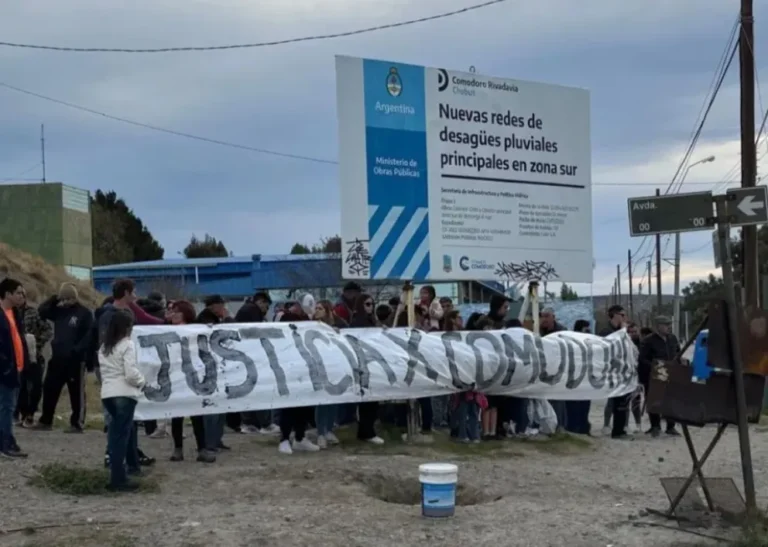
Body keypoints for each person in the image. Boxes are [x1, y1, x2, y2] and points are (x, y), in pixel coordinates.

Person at [94, 279, 161, 467]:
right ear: (126, 293)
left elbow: (148, 318)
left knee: (127, 417)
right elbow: (106, 345)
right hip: (115, 371)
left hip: (125, 368)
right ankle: (113, 454)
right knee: (116, 415)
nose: (136, 295)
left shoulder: (129, 311)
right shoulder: (109, 315)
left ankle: (131, 453)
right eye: (134, 291)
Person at [34, 283, 94, 433]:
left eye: (68, 298)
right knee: (49, 389)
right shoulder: (59, 311)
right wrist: (55, 298)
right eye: (63, 299)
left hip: (75, 360)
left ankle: (77, 423)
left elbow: (88, 336)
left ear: (74, 298)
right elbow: (42, 311)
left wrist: (78, 352)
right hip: (57, 358)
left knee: (76, 393)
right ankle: (46, 420)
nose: (65, 302)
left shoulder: (84, 313)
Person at [99, 309, 145, 492]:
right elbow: (131, 373)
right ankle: (118, 478)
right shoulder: (127, 345)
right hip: (124, 393)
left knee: (114, 436)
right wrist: (142, 381)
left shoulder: (104, 347)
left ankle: (118, 473)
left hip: (107, 393)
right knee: (122, 437)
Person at [167, 300, 216, 463]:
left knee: (196, 415)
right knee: (176, 415)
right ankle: (178, 449)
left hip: (193, 377)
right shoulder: (165, 331)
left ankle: (202, 448)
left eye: (177, 311)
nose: (173, 314)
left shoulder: (195, 331)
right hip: (174, 376)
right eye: (172, 311)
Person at [277, 294, 320, 454]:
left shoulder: (307, 320)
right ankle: (284, 438)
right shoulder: (286, 318)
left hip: (306, 366)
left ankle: (300, 437)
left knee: (305, 404)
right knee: (289, 405)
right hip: (290, 366)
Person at [196, 295, 235, 450]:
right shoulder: (205, 320)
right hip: (209, 368)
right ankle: (211, 441)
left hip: (218, 367)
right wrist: (227, 320)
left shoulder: (212, 318)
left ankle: (216, 439)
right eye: (221, 306)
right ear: (213, 306)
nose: (223, 309)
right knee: (212, 410)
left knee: (220, 408)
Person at [0, 278, 30, 458]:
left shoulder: (15, 314)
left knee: (9, 407)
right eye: (18, 292)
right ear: (8, 294)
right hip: (5, 370)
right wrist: (6, 366)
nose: (22, 296)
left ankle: (8, 440)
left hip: (16, 369)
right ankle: (6, 443)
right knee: (6, 407)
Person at [349, 293, 385, 445]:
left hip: (371, 363)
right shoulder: (358, 321)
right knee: (367, 401)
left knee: (371, 400)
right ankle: (367, 431)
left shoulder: (371, 321)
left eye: (372, 304)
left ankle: (366, 430)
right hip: (363, 365)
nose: (370, 307)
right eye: (367, 304)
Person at [16, 290, 53, 427]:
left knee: (36, 386)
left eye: (22, 294)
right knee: (20, 387)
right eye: (17, 294)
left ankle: (31, 413)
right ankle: (23, 414)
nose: (19, 296)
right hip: (16, 356)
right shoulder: (7, 314)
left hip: (33, 355)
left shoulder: (33, 312)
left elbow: (48, 330)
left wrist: (37, 343)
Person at [639, 316, 681, 437]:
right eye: (666, 324)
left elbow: (677, 352)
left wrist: (679, 361)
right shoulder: (648, 340)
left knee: (671, 400)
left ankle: (671, 426)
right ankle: (655, 426)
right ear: (658, 326)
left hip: (671, 374)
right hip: (654, 376)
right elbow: (642, 358)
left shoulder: (672, 338)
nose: (669, 327)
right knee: (654, 400)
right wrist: (654, 366)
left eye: (669, 324)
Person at [599, 305, 631, 440]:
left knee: (624, 402)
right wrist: (623, 330)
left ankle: (621, 428)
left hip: (623, 370)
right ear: (615, 315)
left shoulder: (621, 331)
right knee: (615, 401)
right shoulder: (606, 331)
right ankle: (615, 430)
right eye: (622, 315)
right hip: (612, 371)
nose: (625, 318)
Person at [313, 301, 341, 449]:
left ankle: (329, 429)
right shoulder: (310, 326)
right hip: (318, 366)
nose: (317, 311)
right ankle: (320, 433)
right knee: (321, 401)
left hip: (334, 366)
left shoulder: (337, 324)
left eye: (320, 309)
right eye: (316, 308)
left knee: (333, 400)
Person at [564, 319, 593, 435]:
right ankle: (574, 427)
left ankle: (583, 427)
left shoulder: (588, 342)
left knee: (585, 405)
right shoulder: (572, 342)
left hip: (585, 379)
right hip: (574, 379)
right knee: (574, 406)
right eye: (586, 329)